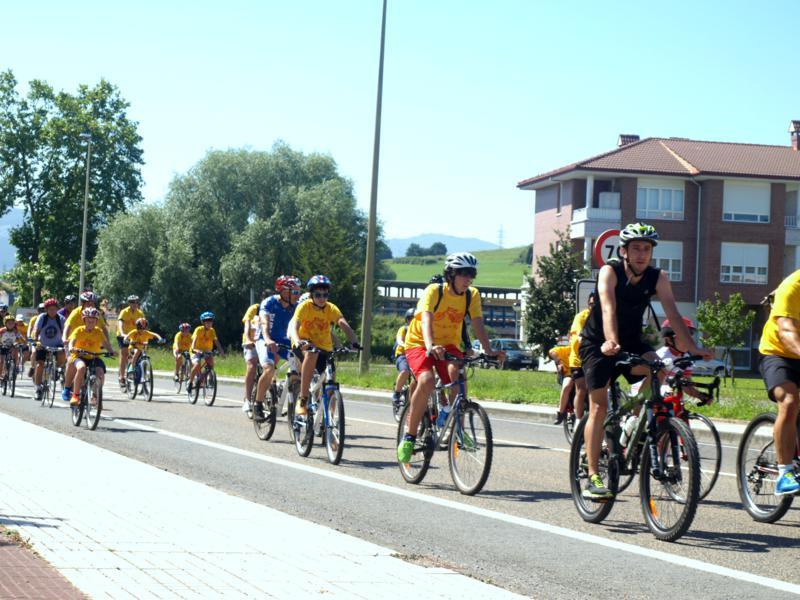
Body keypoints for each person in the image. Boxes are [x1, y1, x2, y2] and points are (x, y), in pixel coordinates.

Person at [578, 223, 711, 499]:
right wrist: (610, 341)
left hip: (633, 340)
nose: (641, 254)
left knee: (659, 369)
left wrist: (693, 348)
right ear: (624, 251)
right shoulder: (610, 271)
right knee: (599, 406)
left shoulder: (657, 277)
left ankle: (634, 423)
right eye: (636, 248)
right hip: (598, 343)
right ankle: (592, 476)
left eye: (647, 249)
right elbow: (608, 307)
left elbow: (673, 314)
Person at [397, 253, 504, 463]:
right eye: (463, 273)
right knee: (426, 380)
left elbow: (477, 323)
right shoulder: (434, 291)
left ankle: (457, 430)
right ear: (451, 274)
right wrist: (430, 345)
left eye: (471, 274)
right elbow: (426, 319)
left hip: (448, 344)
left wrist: (489, 350)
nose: (468, 278)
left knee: (458, 375)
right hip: (420, 342)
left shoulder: (471, 295)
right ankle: (409, 436)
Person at [289, 275, 360, 417]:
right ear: (311, 295)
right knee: (311, 354)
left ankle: (330, 418)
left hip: (324, 347)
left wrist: (354, 341)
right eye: (318, 295)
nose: (322, 298)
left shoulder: (330, 308)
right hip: (304, 344)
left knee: (330, 380)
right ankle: (303, 399)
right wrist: (297, 340)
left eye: (325, 295)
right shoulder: (304, 306)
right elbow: (294, 326)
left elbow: (342, 323)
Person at [757, 269, 800, 495]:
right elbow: (786, 331)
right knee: (790, 401)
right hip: (778, 353)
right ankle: (785, 473)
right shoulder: (793, 286)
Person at [253, 276, 301, 421]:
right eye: (295, 292)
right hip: (265, 338)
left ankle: (294, 401)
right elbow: (264, 323)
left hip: (284, 339)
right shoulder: (269, 303)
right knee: (269, 369)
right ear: (284, 291)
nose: (297, 295)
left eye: (299, 292)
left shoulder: (296, 306)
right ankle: (257, 404)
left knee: (300, 368)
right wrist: (268, 339)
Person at [554, 293, 596, 425]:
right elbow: (578, 335)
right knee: (581, 389)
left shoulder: (604, 316)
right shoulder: (581, 317)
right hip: (578, 359)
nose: (593, 306)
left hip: (594, 359)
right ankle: (578, 420)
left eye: (596, 304)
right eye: (591, 304)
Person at [62, 292, 111, 401]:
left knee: (98, 369)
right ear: (83, 303)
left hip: (90, 344)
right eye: (88, 303)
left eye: (92, 303)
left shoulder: (95, 313)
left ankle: (94, 393)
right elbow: (67, 327)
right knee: (71, 362)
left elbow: (103, 329)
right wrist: (65, 340)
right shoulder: (76, 312)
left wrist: (108, 345)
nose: (91, 305)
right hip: (74, 343)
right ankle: (67, 388)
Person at [31, 298, 66, 402]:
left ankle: (55, 369)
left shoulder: (61, 319)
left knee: (62, 354)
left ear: (57, 309)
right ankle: (38, 388)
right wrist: (36, 340)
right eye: (50, 309)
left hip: (57, 345)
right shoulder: (42, 317)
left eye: (54, 309)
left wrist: (66, 342)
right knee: (39, 364)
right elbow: (36, 331)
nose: (52, 311)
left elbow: (65, 332)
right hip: (42, 345)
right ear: (46, 310)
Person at [188, 311, 225, 392]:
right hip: (196, 350)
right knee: (197, 364)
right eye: (207, 321)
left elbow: (216, 341)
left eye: (210, 321)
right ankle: (190, 382)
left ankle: (206, 378)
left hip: (207, 351)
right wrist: (194, 349)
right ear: (203, 322)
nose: (209, 323)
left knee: (211, 364)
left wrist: (221, 351)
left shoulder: (212, 330)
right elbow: (194, 340)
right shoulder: (199, 329)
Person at [123, 318, 164, 383]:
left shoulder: (146, 333)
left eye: (144, 328)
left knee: (142, 355)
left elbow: (155, 334)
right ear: (138, 327)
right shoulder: (134, 332)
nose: (142, 330)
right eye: (140, 328)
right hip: (133, 348)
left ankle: (143, 374)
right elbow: (127, 336)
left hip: (142, 349)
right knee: (138, 351)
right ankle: (131, 370)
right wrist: (125, 339)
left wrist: (160, 338)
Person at [391, 308, 416, 411]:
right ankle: (396, 394)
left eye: (414, 318)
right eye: (410, 318)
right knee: (405, 371)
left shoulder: (420, 331)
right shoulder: (404, 329)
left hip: (415, 356)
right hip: (403, 355)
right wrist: (406, 345)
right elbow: (399, 340)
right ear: (407, 320)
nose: (412, 321)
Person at [117, 295, 144, 386]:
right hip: (123, 335)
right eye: (132, 302)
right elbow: (120, 323)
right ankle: (122, 377)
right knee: (124, 354)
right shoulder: (124, 312)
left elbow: (144, 324)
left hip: (134, 336)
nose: (134, 304)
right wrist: (122, 333)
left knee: (137, 353)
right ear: (129, 303)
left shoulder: (140, 313)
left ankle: (134, 371)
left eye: (136, 302)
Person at [240, 301, 260, 414]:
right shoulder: (254, 308)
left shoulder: (277, 307)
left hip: (265, 342)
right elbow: (247, 323)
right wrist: (248, 339)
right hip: (251, 342)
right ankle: (247, 400)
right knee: (252, 365)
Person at [549, 343, 574, 423]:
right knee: (567, 385)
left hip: (584, 374)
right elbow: (552, 351)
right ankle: (561, 412)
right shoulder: (567, 349)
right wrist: (559, 362)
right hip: (569, 375)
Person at [0, 315, 26, 381]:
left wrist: (25, 343)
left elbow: (21, 338)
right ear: (5, 323)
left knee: (16, 349)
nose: (11, 325)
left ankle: (15, 366)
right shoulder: (2, 330)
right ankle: (0, 375)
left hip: (11, 346)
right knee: (1, 361)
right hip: (3, 346)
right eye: (9, 323)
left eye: (12, 323)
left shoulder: (15, 331)